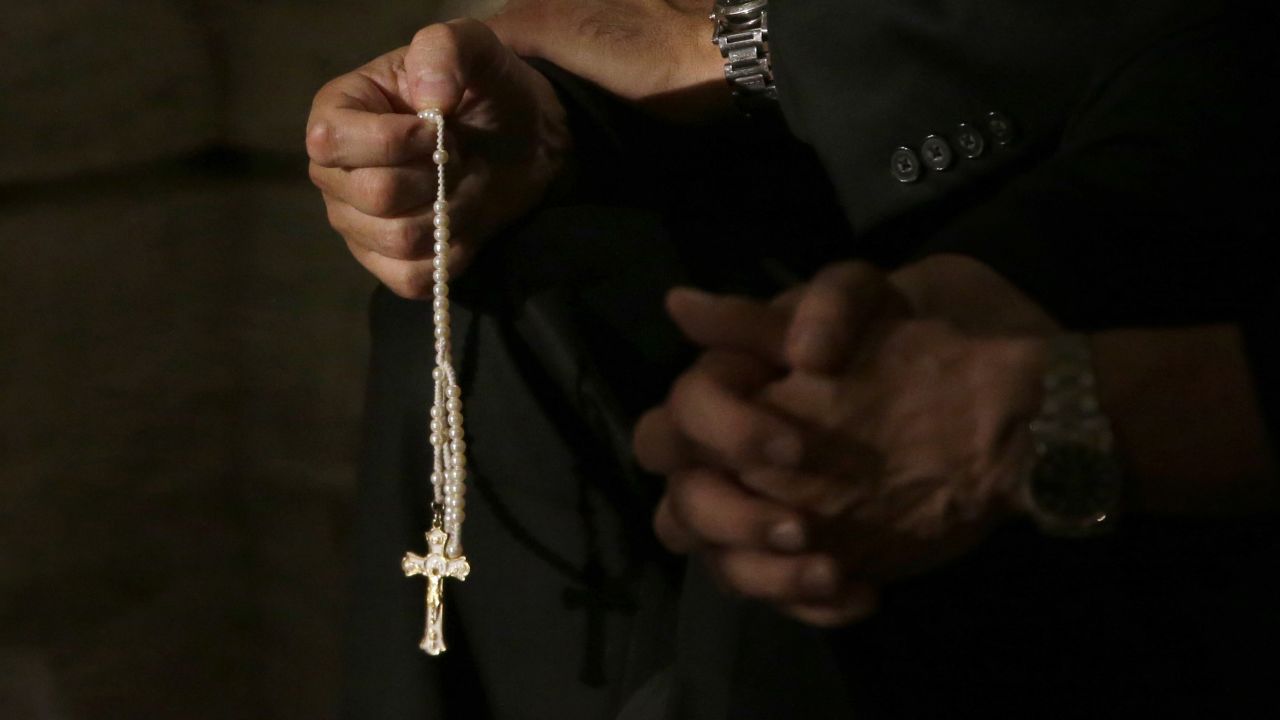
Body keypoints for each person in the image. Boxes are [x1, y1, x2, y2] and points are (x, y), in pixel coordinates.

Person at [306, 1, 1279, 717]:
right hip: (956, 186)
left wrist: (743, 46)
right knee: (512, 276)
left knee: (786, 438)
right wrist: (558, 122)